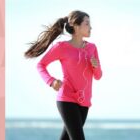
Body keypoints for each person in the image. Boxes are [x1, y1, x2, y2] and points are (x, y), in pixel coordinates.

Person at [24, 10, 102, 140]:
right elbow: (41, 65)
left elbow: (98, 76)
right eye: (87, 23)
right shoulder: (61, 47)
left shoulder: (92, 48)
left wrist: (96, 66)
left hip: (85, 101)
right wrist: (51, 81)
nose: (91, 27)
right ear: (76, 26)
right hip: (66, 99)